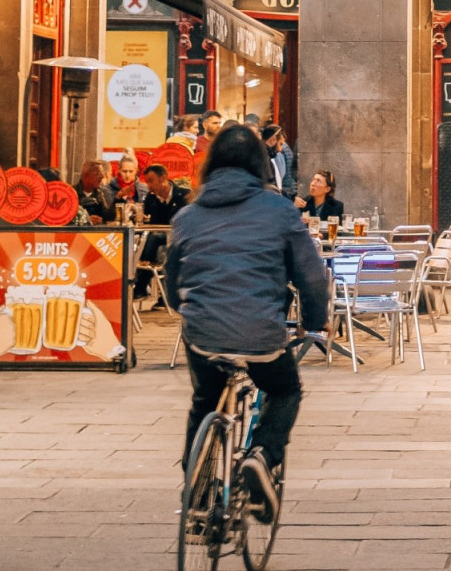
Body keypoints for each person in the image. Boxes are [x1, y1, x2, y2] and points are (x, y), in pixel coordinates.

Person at [164, 124, 328, 521]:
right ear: (261, 165)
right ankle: (262, 455)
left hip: (202, 333)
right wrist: (314, 322)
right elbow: (311, 276)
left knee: (205, 400)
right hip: (261, 332)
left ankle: (198, 499)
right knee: (285, 389)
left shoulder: (187, 216)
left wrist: (185, 308)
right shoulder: (280, 211)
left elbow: (172, 284)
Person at [133, 164, 191, 300]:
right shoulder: (151, 198)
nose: (148, 186)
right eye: (147, 181)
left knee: (153, 238)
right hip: (157, 234)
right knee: (141, 238)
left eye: (151, 181)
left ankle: (141, 286)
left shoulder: (184, 195)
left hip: (178, 236)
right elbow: (144, 216)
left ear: (163, 179)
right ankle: (140, 281)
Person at [261, 125, 298, 200]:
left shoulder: (268, 158)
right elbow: (271, 187)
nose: (281, 149)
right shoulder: (263, 159)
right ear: (273, 140)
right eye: (280, 144)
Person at [73, 160, 115, 225]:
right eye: (98, 173)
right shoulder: (71, 193)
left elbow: (107, 217)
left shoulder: (100, 193)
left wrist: (118, 198)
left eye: (102, 173)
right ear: (86, 175)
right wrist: (86, 219)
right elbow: (67, 218)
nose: (102, 176)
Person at [192, 110, 225, 181]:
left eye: (219, 123)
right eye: (215, 123)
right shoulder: (196, 142)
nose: (218, 126)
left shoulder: (223, 142)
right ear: (205, 125)